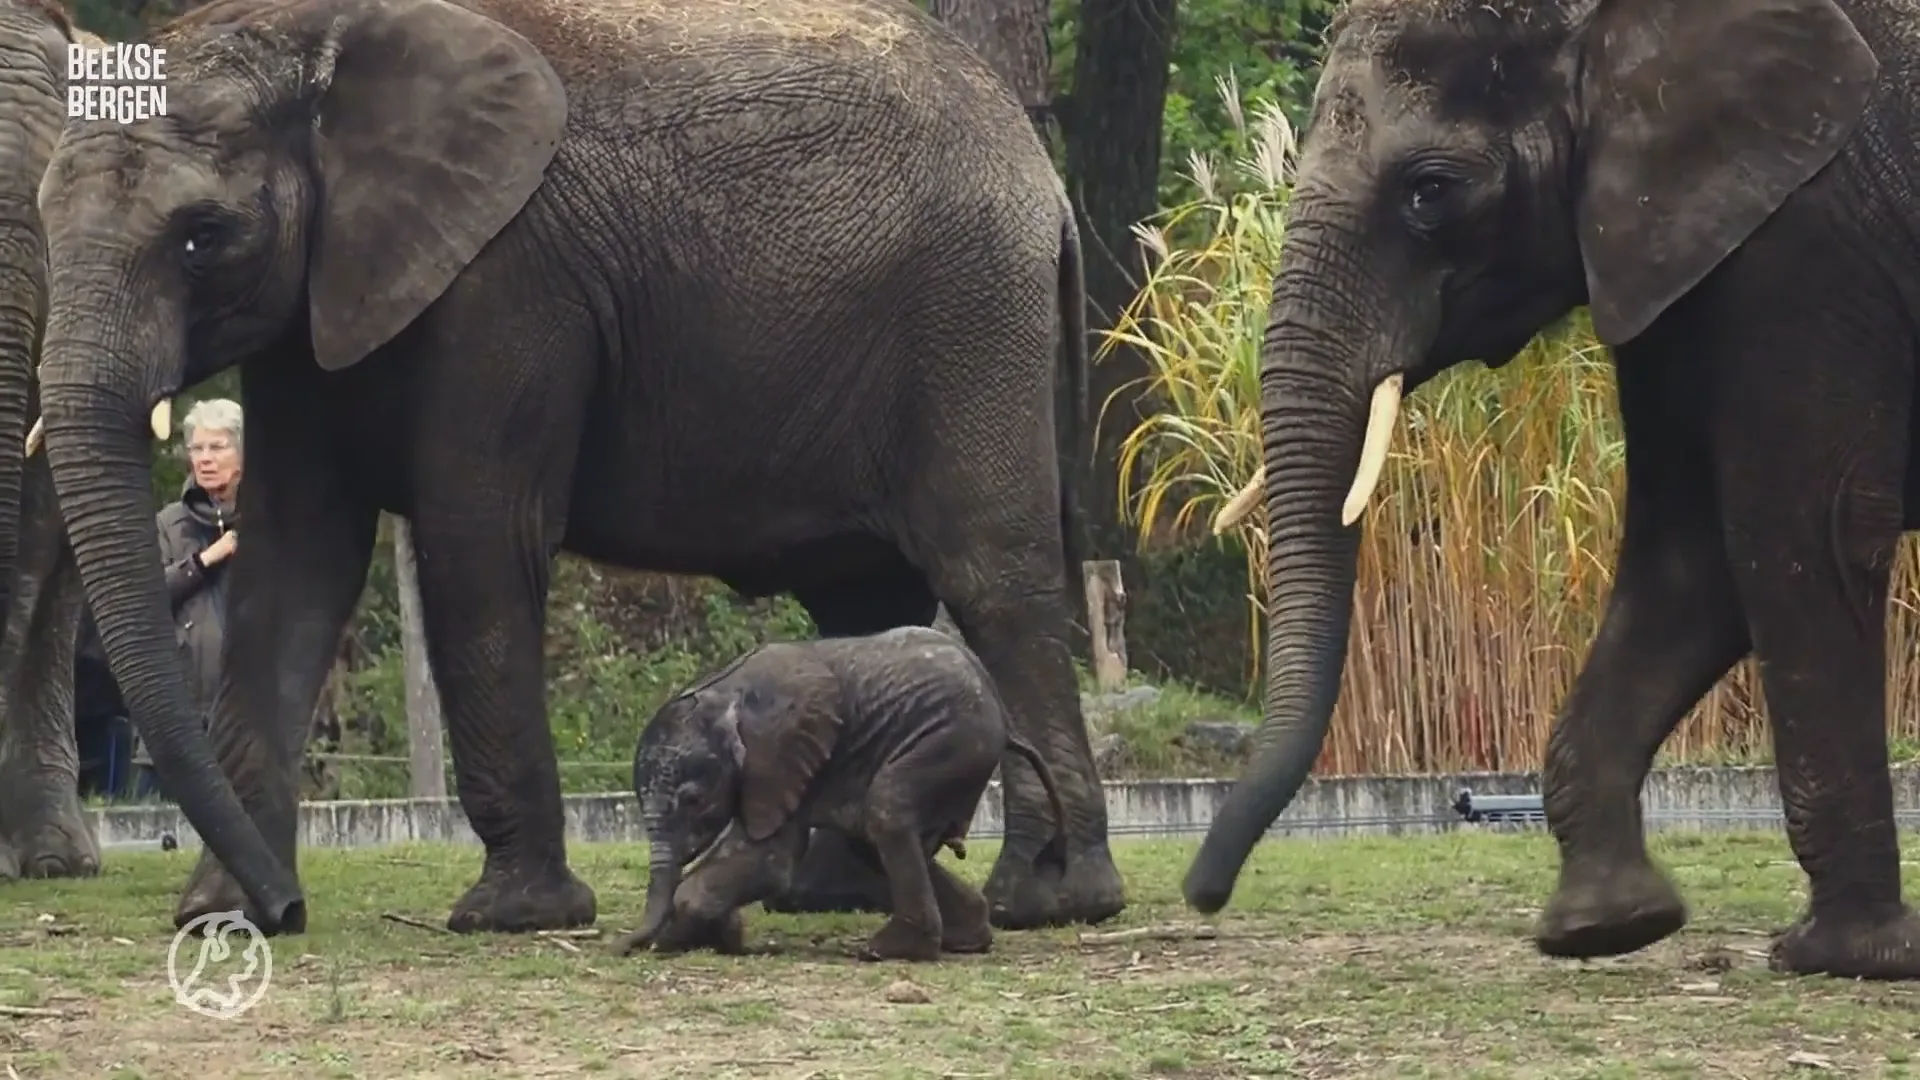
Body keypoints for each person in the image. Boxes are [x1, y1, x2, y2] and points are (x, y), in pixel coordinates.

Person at [129, 398, 245, 798]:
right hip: (176, 710)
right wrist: (205, 561)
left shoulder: (269, 519)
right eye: (198, 448)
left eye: (218, 447)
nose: (206, 459)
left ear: (243, 455)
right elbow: (145, 597)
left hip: (246, 711)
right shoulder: (168, 523)